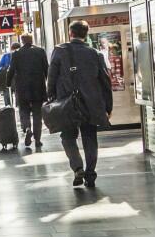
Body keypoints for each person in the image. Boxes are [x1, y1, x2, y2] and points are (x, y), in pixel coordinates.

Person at [46, 21, 113, 188]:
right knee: (90, 138)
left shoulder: (60, 51)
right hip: (91, 103)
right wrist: (108, 107)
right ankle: (90, 174)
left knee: (68, 137)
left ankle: (77, 168)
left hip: (67, 103)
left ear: (70, 33)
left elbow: (51, 77)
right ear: (86, 34)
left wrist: (51, 97)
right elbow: (105, 82)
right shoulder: (95, 54)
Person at [9, 33, 49, 150]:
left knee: (24, 111)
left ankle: (27, 128)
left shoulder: (16, 54)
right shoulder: (40, 51)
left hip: (22, 88)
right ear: (31, 40)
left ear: (22, 41)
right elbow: (47, 69)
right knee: (37, 114)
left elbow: (11, 70)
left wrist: (7, 83)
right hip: (38, 88)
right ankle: (37, 140)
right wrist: (49, 85)